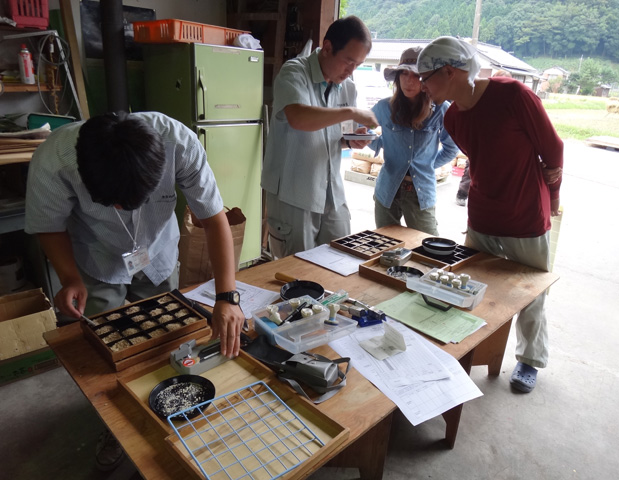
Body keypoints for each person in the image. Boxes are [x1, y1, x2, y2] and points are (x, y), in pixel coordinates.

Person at [25, 111, 245, 470]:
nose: (120, 209)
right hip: (97, 255)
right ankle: (115, 422)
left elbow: (213, 217)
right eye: (110, 203)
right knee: (109, 347)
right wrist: (70, 278)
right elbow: (49, 225)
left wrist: (227, 297)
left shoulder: (180, 143)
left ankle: (168, 403)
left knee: (168, 337)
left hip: (156, 249)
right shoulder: (54, 160)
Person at [417, 37, 563, 393]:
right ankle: (471, 349)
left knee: (531, 294)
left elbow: (553, 149)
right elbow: (480, 160)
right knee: (470, 288)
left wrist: (552, 196)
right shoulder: (452, 117)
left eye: (426, 79)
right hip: (482, 215)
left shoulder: (513, 95)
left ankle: (530, 360)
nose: (423, 87)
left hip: (525, 213)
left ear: (449, 72)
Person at [261, 15, 379, 258]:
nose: (351, 71)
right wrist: (351, 111)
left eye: (358, 64)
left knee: (343, 263)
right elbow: (299, 118)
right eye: (348, 61)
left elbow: (335, 133)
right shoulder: (294, 72)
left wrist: (350, 139)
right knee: (297, 277)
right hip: (294, 195)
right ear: (327, 48)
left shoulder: (347, 87)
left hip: (332, 194)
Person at [368, 46, 458, 235]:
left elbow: (451, 148)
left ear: (426, 80)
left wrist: (427, 164)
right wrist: (380, 144)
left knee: (427, 248)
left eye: (416, 76)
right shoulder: (384, 107)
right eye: (404, 74)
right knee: (385, 247)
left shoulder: (441, 109)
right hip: (387, 190)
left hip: (421, 193)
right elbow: (363, 130)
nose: (409, 81)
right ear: (397, 77)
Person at [455, 69, 512, 207]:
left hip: (503, 159)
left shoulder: (513, 104)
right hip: (478, 152)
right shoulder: (479, 102)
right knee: (471, 172)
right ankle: (462, 194)